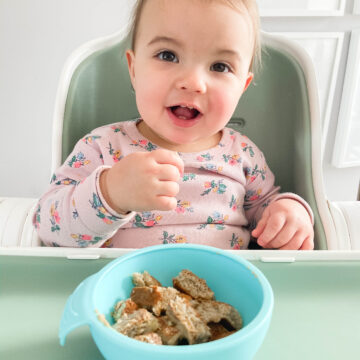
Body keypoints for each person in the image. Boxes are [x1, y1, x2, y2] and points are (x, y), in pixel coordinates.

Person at [33, 0, 314, 250]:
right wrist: (110, 193)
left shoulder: (243, 154)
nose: (192, 82)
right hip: (126, 301)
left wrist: (289, 215)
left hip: (221, 301)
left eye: (220, 66)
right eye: (168, 55)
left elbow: (266, 210)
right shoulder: (103, 147)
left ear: (242, 86)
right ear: (134, 69)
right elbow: (47, 226)